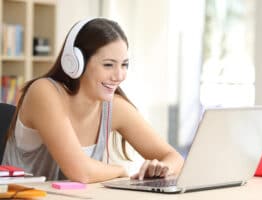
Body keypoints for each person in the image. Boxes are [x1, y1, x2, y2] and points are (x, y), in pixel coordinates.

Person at [2, 18, 184, 183]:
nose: (119, 75)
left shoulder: (114, 107)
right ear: (74, 63)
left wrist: (162, 169)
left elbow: (174, 157)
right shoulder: (44, 92)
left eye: (124, 65)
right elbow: (81, 172)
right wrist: (121, 170)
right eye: (108, 65)